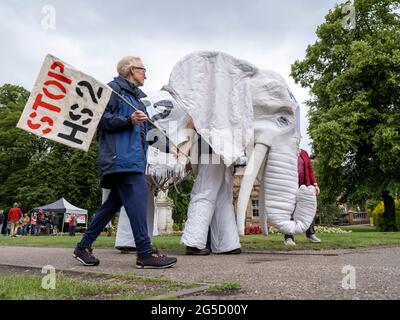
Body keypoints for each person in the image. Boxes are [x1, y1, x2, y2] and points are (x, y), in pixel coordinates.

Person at [73, 56, 177, 269]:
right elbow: (100, 120)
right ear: (131, 70)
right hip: (120, 159)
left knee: (111, 206)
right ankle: (145, 253)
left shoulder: (138, 100)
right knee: (139, 198)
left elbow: (148, 130)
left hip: (133, 160)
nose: (146, 74)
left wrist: (170, 147)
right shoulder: (112, 91)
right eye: (143, 70)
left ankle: (82, 247)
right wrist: (127, 120)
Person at [284, 149, 321, 245]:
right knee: (290, 211)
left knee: (309, 210)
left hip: (305, 186)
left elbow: (310, 169)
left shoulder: (304, 153)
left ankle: (311, 234)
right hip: (290, 186)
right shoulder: (286, 151)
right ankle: (288, 237)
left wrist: (315, 184)